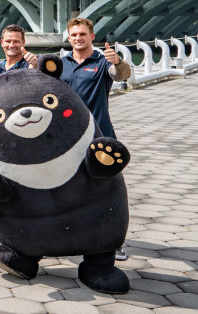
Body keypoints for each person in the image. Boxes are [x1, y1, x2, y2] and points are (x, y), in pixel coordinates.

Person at [60, 16, 132, 261]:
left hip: (99, 136)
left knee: (106, 190)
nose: (78, 38)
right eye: (74, 35)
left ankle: (113, 241)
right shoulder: (61, 64)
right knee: (72, 189)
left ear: (92, 37)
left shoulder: (102, 63)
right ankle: (75, 236)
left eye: (83, 34)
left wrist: (119, 61)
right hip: (68, 139)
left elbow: (121, 74)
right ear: (68, 38)